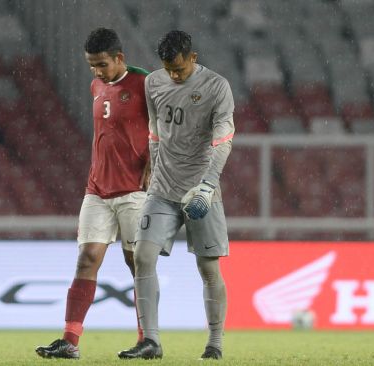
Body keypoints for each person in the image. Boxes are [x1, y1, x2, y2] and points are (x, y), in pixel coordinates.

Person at [117, 30, 234, 360]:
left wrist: (208, 186)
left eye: (179, 69)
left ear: (193, 58)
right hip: (163, 190)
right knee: (142, 256)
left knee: (208, 269)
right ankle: (150, 341)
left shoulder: (216, 87)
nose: (173, 75)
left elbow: (223, 140)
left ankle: (215, 342)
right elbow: (154, 130)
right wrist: (153, 166)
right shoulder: (153, 83)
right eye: (168, 69)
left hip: (201, 190)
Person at [35, 27, 150, 359]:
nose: (97, 72)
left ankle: (147, 339)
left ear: (120, 58)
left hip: (133, 190)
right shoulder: (96, 86)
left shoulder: (145, 83)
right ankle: (70, 341)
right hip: (97, 189)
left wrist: (155, 160)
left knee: (137, 265)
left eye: (102, 64)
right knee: (86, 259)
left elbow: (167, 126)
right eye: (91, 66)